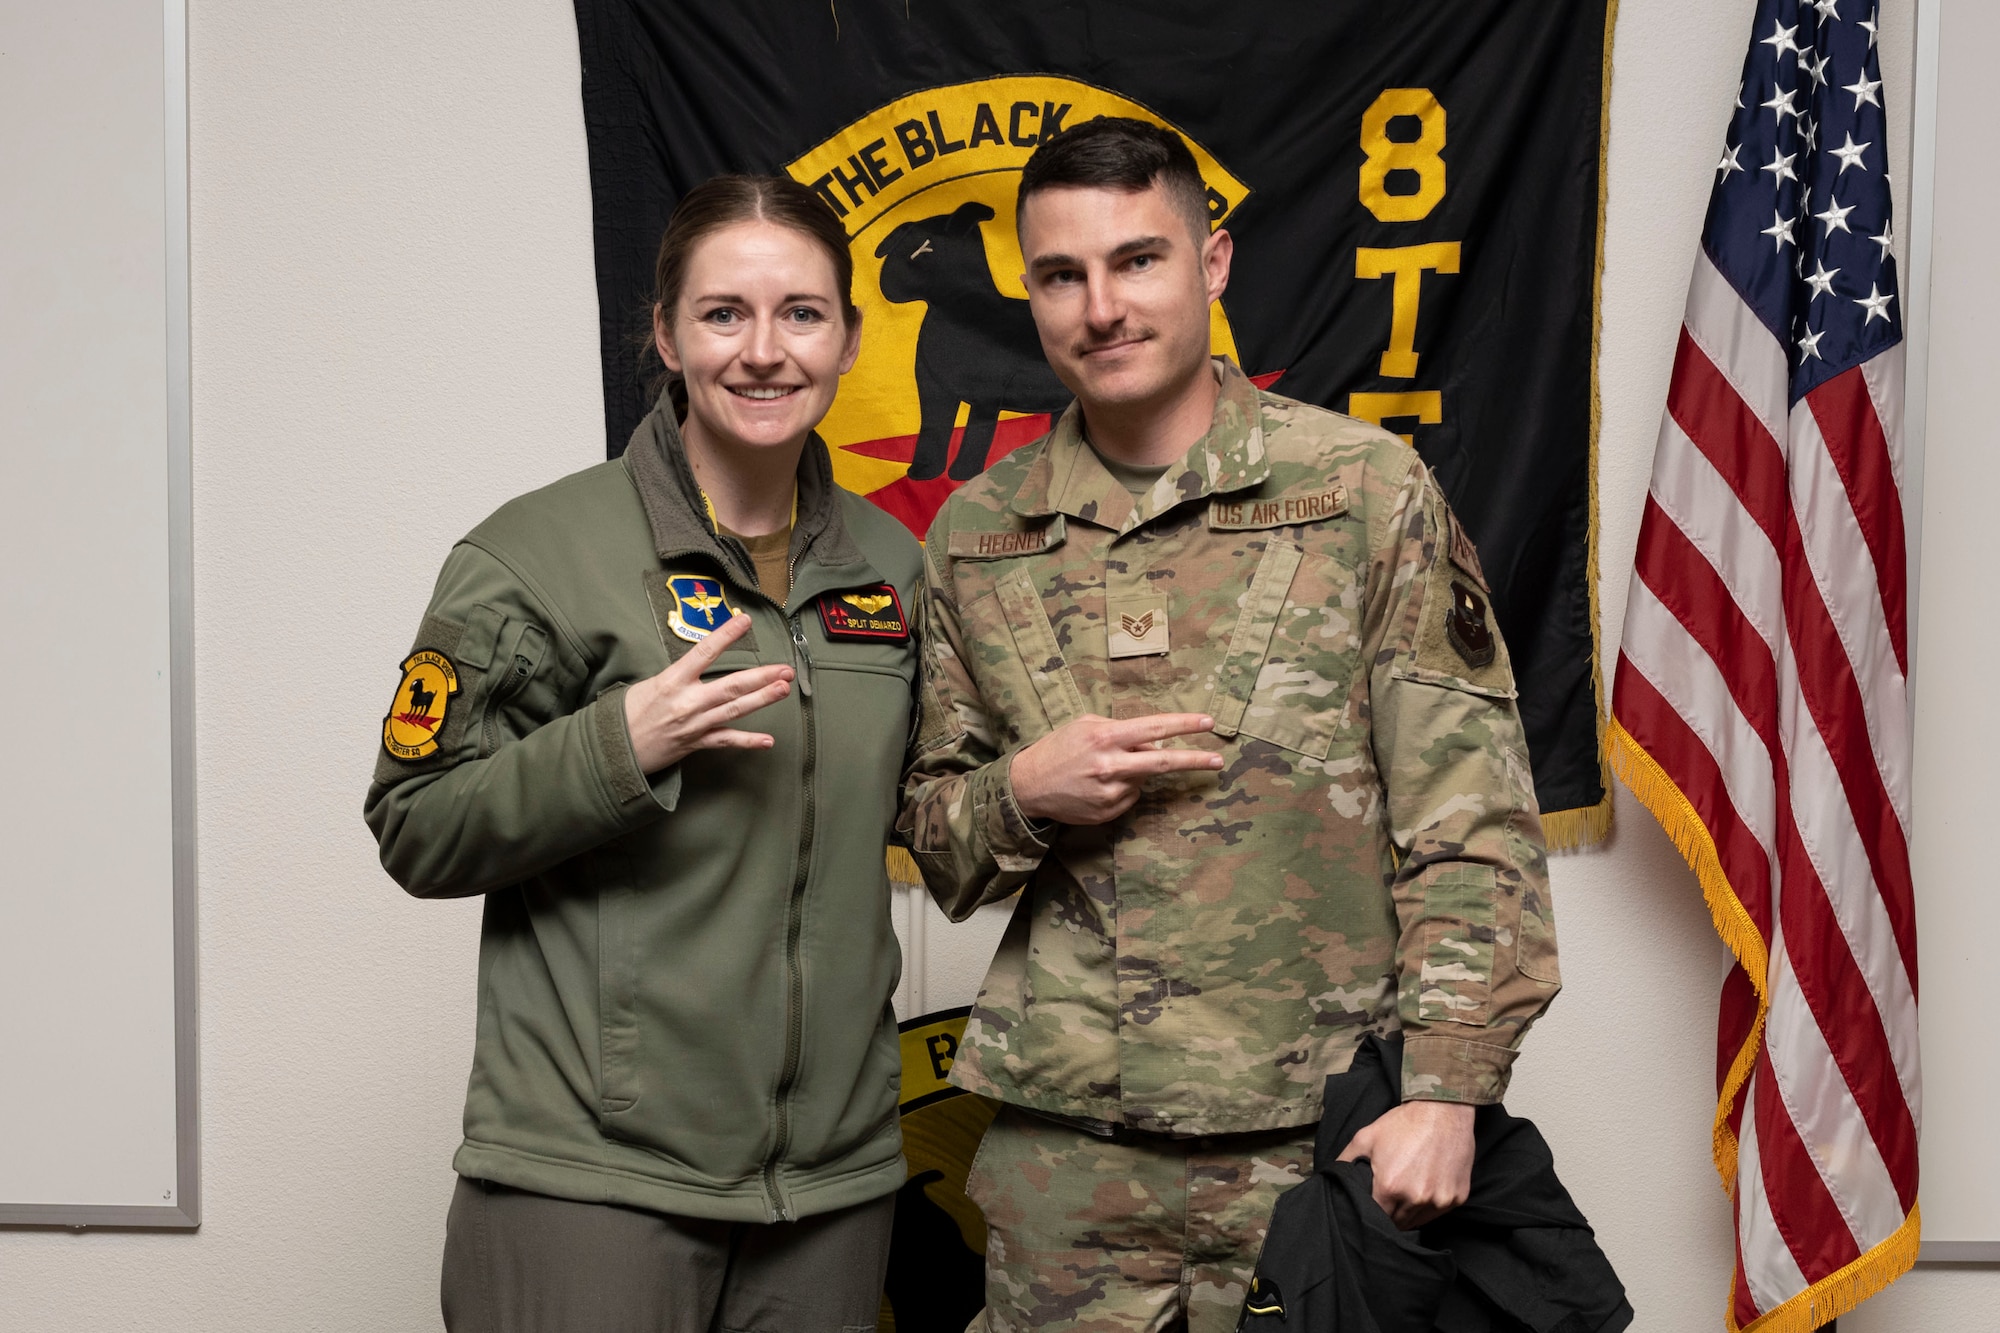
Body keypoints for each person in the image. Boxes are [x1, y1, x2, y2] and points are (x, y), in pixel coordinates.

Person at [898, 117, 1562, 1332]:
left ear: (1211, 262)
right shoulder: (976, 537)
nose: (1100, 306)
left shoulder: (1360, 491)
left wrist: (1449, 1091)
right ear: (1031, 296)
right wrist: (1018, 794)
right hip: (1068, 1161)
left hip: (1320, 1141)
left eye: (1137, 260)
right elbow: (935, 841)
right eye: (1060, 275)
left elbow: (1470, 820)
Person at [365, 175, 923, 1333]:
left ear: (848, 338)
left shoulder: (897, 565)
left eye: (801, 314)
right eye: (724, 313)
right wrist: (617, 746)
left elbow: (929, 805)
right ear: (663, 333)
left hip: (828, 1189)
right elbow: (413, 823)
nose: (763, 352)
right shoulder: (535, 552)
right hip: (590, 1182)